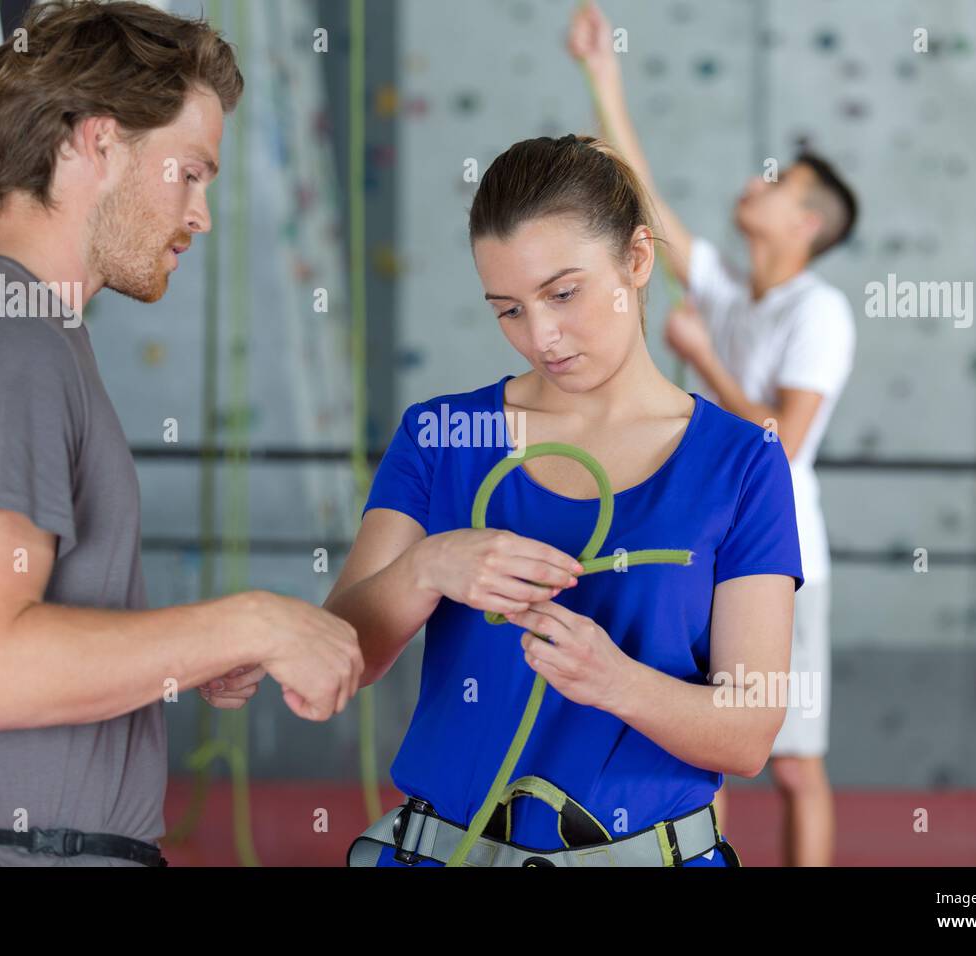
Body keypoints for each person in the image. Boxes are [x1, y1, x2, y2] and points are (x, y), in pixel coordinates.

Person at [0, 0, 361, 866]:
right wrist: (251, 622)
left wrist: (185, 650)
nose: (200, 214)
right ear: (98, 142)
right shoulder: (7, 343)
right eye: (190, 173)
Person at [329, 133, 805, 867]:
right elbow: (341, 658)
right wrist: (425, 568)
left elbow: (748, 734)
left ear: (637, 260)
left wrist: (614, 682)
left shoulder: (742, 463)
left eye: (563, 293)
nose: (541, 336)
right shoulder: (442, 434)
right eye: (508, 310)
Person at [567, 0, 857, 867]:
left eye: (778, 185)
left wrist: (700, 358)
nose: (754, 184)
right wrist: (601, 72)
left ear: (806, 224)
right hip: (702, 545)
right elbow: (640, 194)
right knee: (700, 752)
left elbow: (783, 440)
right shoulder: (732, 292)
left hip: (782, 556)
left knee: (796, 761)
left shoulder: (822, 313)